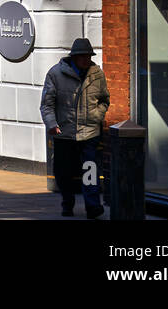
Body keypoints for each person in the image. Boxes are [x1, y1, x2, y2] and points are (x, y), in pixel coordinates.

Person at [40, 38, 111, 219]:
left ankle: (92, 206)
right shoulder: (56, 74)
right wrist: (52, 125)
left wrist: (97, 116)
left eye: (88, 56)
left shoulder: (97, 74)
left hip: (90, 132)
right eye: (82, 57)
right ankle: (67, 202)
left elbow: (104, 99)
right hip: (65, 133)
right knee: (64, 173)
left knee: (90, 170)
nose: (86, 60)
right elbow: (47, 104)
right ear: (74, 57)